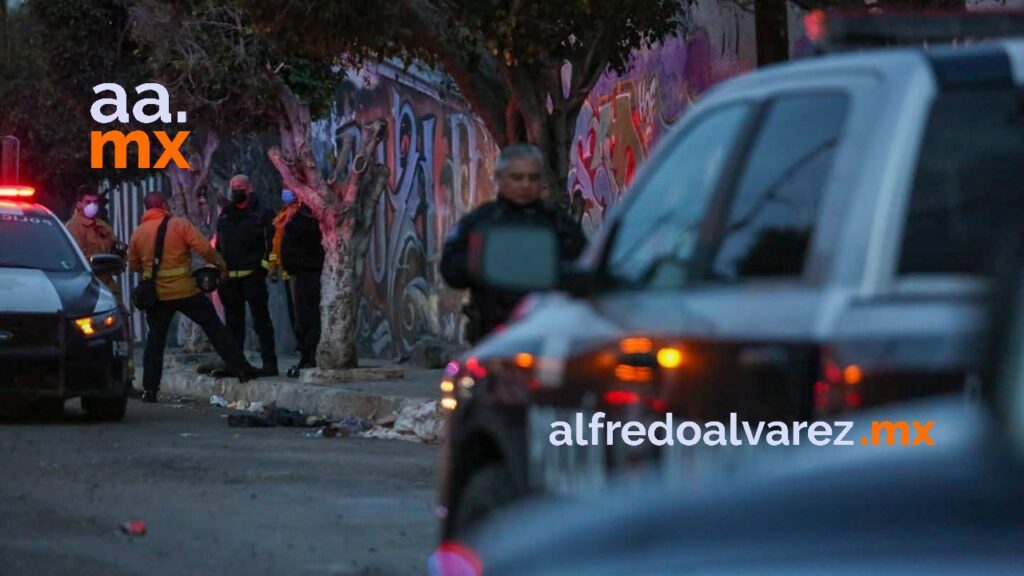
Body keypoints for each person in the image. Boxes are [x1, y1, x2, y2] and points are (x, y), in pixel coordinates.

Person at [440, 144, 586, 344]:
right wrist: (482, 261)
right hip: (493, 334)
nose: (526, 185)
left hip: (547, 334)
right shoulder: (480, 222)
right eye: (517, 177)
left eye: (533, 178)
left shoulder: (560, 225)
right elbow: (451, 270)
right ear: (500, 178)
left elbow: (584, 270)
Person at [128, 193, 258, 403]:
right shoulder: (180, 225)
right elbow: (204, 248)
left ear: (146, 209)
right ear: (164, 204)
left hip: (157, 297)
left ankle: (150, 390)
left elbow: (133, 265)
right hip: (186, 291)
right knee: (215, 328)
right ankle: (242, 369)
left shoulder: (138, 233)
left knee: (155, 342)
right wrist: (220, 265)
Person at [216, 174, 278, 376]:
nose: (236, 190)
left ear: (250, 188)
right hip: (230, 280)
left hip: (253, 277)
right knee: (233, 325)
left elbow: (272, 244)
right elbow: (219, 246)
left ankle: (270, 364)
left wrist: (263, 267)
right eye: (233, 187)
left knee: (261, 322)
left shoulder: (262, 214)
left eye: (240, 187)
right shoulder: (226, 215)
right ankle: (235, 365)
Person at [279, 195, 325, 377]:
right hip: (302, 274)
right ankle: (307, 355)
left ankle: (310, 355)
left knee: (308, 318)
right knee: (303, 318)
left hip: (308, 274)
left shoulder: (303, 220)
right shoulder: (295, 217)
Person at [66, 185, 124, 296]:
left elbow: (117, 248)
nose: (92, 205)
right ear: (79, 204)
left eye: (95, 202)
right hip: (88, 287)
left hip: (107, 285)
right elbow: (76, 260)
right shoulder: (74, 227)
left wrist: (119, 256)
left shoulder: (102, 226)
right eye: (88, 202)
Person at [268, 188, 301, 351]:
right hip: (287, 271)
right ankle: (301, 346)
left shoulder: (300, 213)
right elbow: (276, 245)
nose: (285, 192)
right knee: (293, 311)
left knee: (301, 311)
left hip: (298, 271)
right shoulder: (284, 213)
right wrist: (273, 267)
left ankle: (306, 348)